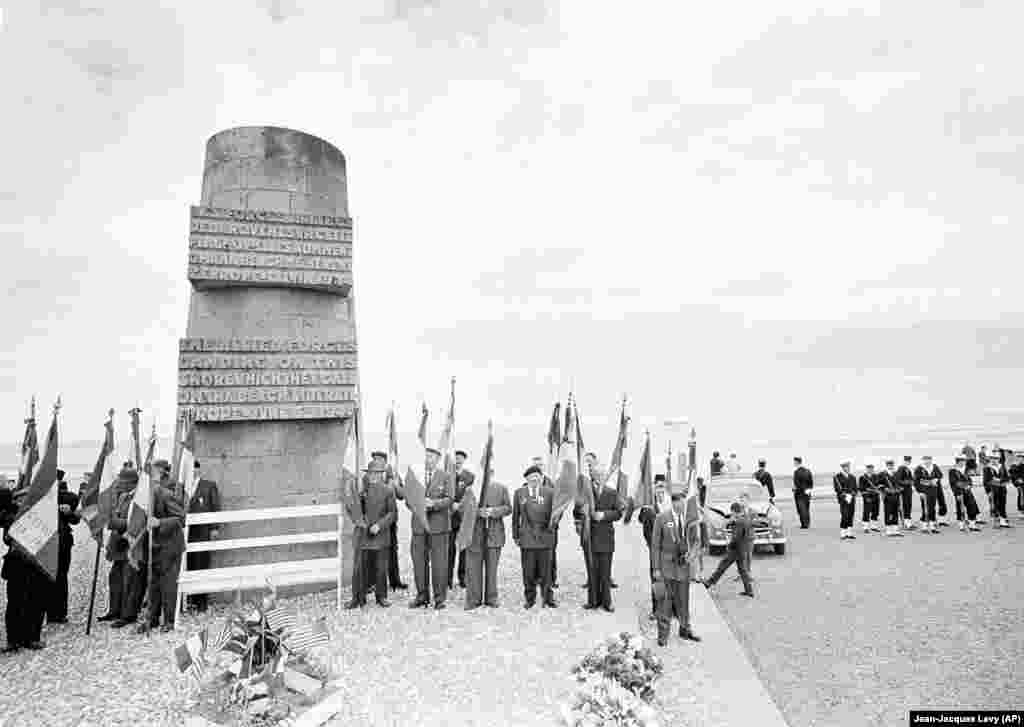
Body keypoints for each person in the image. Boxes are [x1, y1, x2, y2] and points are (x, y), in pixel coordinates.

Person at [138, 459, 186, 633]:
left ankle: (169, 621)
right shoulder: (144, 497)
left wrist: (159, 522)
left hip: (170, 545)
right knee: (154, 584)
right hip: (155, 546)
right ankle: (152, 619)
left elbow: (181, 518)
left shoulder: (165, 494)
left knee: (168, 584)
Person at [651, 483, 701, 647]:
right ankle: (663, 635)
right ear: (673, 503)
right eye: (678, 504)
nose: (681, 507)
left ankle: (685, 629)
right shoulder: (661, 518)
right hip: (666, 568)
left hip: (683, 567)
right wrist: (656, 569)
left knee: (683, 601)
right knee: (665, 602)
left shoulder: (689, 520)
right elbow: (655, 546)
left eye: (684, 504)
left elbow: (696, 542)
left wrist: (691, 556)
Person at [2, 482, 47, 651]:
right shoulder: (10, 516)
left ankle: (32, 638)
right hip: (16, 564)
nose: (22, 503)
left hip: (36, 564)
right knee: (14, 604)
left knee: (35, 603)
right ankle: (13, 640)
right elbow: (6, 539)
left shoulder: (43, 517)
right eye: (19, 500)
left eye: (26, 499)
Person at [348, 460, 397, 609]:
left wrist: (379, 525)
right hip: (363, 535)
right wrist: (358, 518)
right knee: (358, 568)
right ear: (368, 474)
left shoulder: (388, 490)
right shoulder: (362, 490)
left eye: (377, 473)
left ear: (382, 475)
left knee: (381, 568)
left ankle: (381, 596)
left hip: (380, 535)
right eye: (371, 473)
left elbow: (392, 513)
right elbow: (354, 509)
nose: (374, 476)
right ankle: (357, 598)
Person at [408, 448, 453, 610]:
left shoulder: (445, 476)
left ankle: (439, 598)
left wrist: (433, 504)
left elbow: (449, 498)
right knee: (419, 562)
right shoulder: (416, 475)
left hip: (438, 527)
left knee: (439, 563)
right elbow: (408, 499)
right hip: (419, 526)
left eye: (432, 457)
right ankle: (422, 595)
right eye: (426, 456)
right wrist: (418, 505)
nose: (428, 459)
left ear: (438, 459)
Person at [463, 465, 511, 610]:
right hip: (474, 535)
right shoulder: (470, 490)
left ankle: (492, 598)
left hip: (494, 534)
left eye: (489, 472)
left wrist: (492, 512)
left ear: (492, 473)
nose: (486, 475)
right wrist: (476, 511)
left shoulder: (501, 488)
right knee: (473, 568)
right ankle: (473, 599)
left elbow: (508, 508)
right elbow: (463, 510)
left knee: (492, 568)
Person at [103, 468, 146, 627]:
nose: (119, 483)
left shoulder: (140, 498)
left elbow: (137, 522)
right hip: (119, 544)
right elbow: (118, 515)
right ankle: (114, 610)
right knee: (115, 578)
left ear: (131, 483)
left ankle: (128, 615)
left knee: (131, 581)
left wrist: (112, 521)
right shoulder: (122, 496)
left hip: (132, 545)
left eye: (122, 481)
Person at [576, 464, 622, 612]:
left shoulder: (612, 492)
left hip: (606, 537)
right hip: (590, 537)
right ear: (593, 476)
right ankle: (593, 601)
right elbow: (575, 511)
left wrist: (604, 515)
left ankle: (607, 602)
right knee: (592, 570)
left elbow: (618, 513)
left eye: (603, 475)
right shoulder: (585, 492)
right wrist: (582, 512)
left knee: (605, 571)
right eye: (597, 474)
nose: (600, 477)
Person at [512, 465, 556, 609]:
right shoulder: (519, 493)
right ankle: (529, 598)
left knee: (546, 570)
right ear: (527, 479)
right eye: (532, 477)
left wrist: (552, 528)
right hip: (527, 538)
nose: (535, 479)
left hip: (545, 537)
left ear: (541, 478)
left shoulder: (550, 492)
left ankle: (548, 597)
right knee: (528, 571)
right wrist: (516, 536)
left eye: (537, 477)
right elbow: (515, 517)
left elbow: (555, 514)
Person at [186, 460, 221, 613]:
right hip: (187, 532)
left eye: (194, 469)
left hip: (202, 531)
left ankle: (202, 601)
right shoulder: (183, 487)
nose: (192, 472)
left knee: (202, 564)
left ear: (198, 470)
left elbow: (215, 507)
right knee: (190, 565)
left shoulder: (209, 486)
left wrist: (214, 528)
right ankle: (191, 599)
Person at [47, 469, 81, 624]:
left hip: (62, 542)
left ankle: (58, 613)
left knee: (60, 577)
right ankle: (48, 612)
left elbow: (76, 519)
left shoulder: (69, 497)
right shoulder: (40, 495)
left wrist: (69, 513)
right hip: (45, 541)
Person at [371, 452, 408, 592]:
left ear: (386, 462)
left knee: (392, 549)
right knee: (374, 552)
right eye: (375, 459)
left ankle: (395, 580)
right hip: (375, 522)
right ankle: (374, 583)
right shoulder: (370, 476)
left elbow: (402, 495)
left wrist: (395, 484)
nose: (377, 461)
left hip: (390, 520)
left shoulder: (393, 475)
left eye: (380, 459)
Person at [703, 500, 755, 598]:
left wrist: (729, 545)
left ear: (734, 511)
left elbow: (736, 537)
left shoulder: (739, 521)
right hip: (743, 549)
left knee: (722, 566)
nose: (731, 513)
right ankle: (749, 591)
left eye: (732, 512)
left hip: (735, 549)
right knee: (743, 570)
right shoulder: (746, 519)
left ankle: (709, 583)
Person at [638, 475, 669, 619]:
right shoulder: (649, 505)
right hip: (655, 550)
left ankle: (670, 608)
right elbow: (642, 523)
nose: (660, 490)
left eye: (663, 487)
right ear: (654, 488)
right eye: (658, 487)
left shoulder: (670, 504)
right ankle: (656, 610)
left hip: (670, 550)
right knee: (656, 580)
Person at [529, 456, 560, 589]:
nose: (538, 468)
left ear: (544, 467)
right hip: (533, 527)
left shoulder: (552, 484)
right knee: (535, 552)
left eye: (541, 465)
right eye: (536, 465)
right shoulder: (527, 485)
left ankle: (551, 579)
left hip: (549, 526)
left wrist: (553, 521)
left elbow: (559, 506)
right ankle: (536, 578)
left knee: (550, 553)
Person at [448, 450, 475, 591]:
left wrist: (461, 505)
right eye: (456, 458)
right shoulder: (447, 474)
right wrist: (451, 504)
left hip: (463, 518)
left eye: (460, 458)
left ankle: (462, 577)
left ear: (464, 460)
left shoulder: (469, 476)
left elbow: (471, 495)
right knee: (449, 549)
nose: (458, 460)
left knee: (463, 548)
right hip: (449, 516)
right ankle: (447, 578)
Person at [949, 455, 981, 531]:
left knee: (972, 506)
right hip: (959, 492)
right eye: (962, 461)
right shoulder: (952, 471)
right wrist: (957, 493)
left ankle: (972, 525)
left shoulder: (965, 470)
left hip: (968, 491)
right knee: (960, 508)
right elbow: (953, 483)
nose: (964, 462)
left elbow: (969, 479)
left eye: (964, 461)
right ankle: (961, 525)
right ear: (958, 461)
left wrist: (969, 485)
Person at [876, 460, 903, 537]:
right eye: (889, 465)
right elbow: (878, 485)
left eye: (891, 465)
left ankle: (895, 530)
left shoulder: (896, 474)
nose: (890, 466)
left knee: (895, 512)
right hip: (887, 496)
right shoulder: (882, 474)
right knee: (888, 512)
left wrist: (899, 489)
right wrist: (885, 489)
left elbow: (899, 484)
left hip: (896, 495)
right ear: (886, 465)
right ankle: (888, 530)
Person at [983, 456, 1011, 528]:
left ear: (998, 459)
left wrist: (1001, 480)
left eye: (996, 459)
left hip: (1002, 488)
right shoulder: (987, 468)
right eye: (992, 459)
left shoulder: (1002, 467)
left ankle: (1003, 520)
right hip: (993, 489)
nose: (994, 460)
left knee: (1003, 504)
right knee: (995, 505)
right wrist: (988, 491)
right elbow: (985, 481)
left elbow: (1007, 477)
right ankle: (996, 521)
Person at [833, 461, 858, 540]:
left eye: (848, 467)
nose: (847, 468)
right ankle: (843, 533)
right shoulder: (837, 477)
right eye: (845, 467)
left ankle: (849, 533)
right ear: (842, 467)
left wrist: (853, 494)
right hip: (843, 499)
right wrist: (844, 495)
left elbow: (855, 488)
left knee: (851, 515)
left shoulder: (852, 477)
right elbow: (837, 489)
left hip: (851, 499)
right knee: (845, 515)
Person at [858, 463, 881, 533]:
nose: (870, 470)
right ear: (866, 469)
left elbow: (879, 485)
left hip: (876, 496)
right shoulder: (862, 477)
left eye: (871, 468)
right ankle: (865, 527)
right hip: (868, 496)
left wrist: (879, 488)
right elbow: (861, 489)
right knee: (866, 512)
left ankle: (874, 526)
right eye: (869, 468)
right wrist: (865, 497)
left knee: (875, 511)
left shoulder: (876, 476)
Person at [895, 456, 916, 531]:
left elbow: (911, 479)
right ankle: (905, 524)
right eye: (907, 461)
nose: (908, 462)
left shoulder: (908, 469)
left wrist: (911, 482)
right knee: (904, 507)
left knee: (908, 506)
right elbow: (897, 480)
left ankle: (909, 523)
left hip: (908, 490)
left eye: (909, 461)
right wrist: (905, 483)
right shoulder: (901, 468)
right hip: (903, 491)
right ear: (904, 461)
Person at [792, 457, 813, 528]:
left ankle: (804, 524)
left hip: (799, 493)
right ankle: (807, 523)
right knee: (806, 508)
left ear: (797, 462)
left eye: (794, 462)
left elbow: (796, 484)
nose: (794, 463)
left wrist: (794, 489)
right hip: (807, 492)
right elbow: (811, 483)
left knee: (800, 509)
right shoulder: (808, 471)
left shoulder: (796, 472)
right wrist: (809, 490)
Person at [1009, 453, 1024, 519]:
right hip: (1020, 485)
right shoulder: (1014, 466)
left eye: (1022, 457)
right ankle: (1021, 511)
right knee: (1021, 497)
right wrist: (1016, 484)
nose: (1021, 459)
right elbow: (1012, 477)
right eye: (1019, 457)